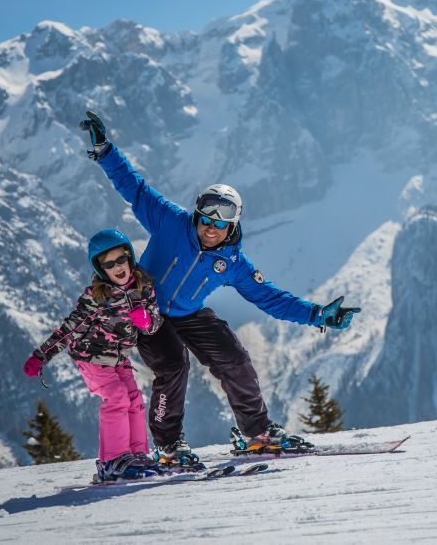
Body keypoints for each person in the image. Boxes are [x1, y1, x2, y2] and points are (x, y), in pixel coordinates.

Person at [78, 110, 360, 466]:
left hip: (189, 314)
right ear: (197, 215)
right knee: (173, 364)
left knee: (234, 357)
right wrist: (106, 151)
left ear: (233, 225)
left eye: (221, 223)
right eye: (206, 219)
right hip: (144, 310)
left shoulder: (233, 263)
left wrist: (317, 314)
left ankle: (257, 432)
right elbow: (134, 188)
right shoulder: (170, 221)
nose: (211, 228)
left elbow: (269, 297)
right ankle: (168, 445)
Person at [22, 229, 162, 482]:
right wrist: (41, 355)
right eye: (109, 264)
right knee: (117, 397)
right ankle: (112, 461)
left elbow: (154, 323)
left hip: (119, 357)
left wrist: (146, 321)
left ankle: (137, 454)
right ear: (101, 269)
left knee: (134, 398)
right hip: (91, 356)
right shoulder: (97, 297)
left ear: (129, 257)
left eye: (121, 259)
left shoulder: (144, 288)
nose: (117, 267)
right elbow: (70, 328)